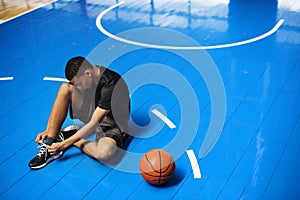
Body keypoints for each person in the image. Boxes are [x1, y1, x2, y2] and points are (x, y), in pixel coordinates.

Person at [28, 56, 130, 169]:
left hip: (113, 121)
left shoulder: (111, 83)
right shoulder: (87, 76)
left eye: (79, 83)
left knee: (105, 153)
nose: (78, 87)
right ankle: (50, 144)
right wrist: (48, 130)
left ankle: (70, 136)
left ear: (87, 73)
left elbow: (94, 123)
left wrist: (65, 144)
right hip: (94, 108)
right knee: (65, 88)